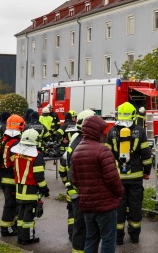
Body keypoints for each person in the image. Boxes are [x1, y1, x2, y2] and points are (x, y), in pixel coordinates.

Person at [71, 115, 124, 253]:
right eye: (102, 131)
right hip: (106, 206)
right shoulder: (103, 150)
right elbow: (112, 179)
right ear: (96, 131)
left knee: (91, 239)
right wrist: (120, 193)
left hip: (87, 206)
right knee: (108, 240)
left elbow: (74, 180)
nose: (104, 134)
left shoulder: (76, 151)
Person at [105, 101, 152, 244]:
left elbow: (107, 155)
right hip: (136, 177)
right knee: (135, 206)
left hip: (118, 177)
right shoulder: (140, 130)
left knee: (118, 207)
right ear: (133, 115)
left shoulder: (112, 131)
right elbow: (146, 154)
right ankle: (134, 236)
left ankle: (118, 238)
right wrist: (147, 171)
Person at [59, 109, 93, 251]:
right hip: (80, 192)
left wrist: (66, 183)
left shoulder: (75, 140)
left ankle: (72, 236)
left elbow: (63, 164)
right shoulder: (82, 143)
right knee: (81, 224)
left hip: (73, 189)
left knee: (74, 217)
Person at [12, 128, 49, 245]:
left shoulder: (17, 154)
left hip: (19, 189)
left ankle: (20, 237)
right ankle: (27, 239)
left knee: (21, 214)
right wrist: (45, 189)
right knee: (29, 215)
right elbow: (39, 176)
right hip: (30, 190)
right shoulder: (36, 155)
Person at [0, 114, 25, 236]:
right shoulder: (15, 143)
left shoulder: (4, 139)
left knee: (13, 203)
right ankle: (6, 228)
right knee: (11, 204)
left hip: (4, 176)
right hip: (11, 178)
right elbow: (16, 161)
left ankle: (12, 225)